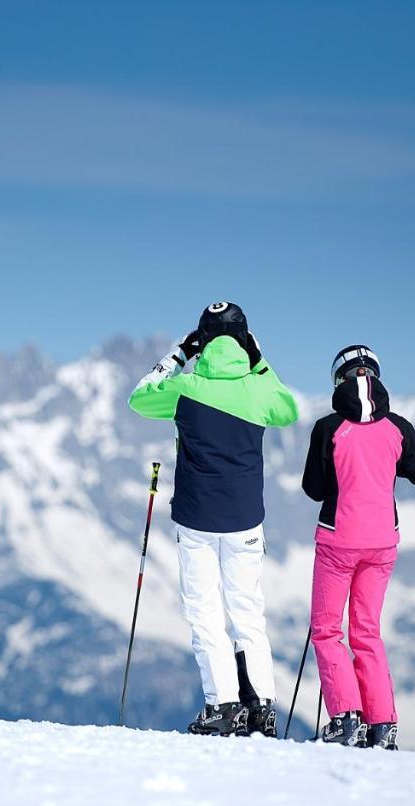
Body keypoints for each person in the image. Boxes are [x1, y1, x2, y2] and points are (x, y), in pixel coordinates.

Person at [128, 302, 299, 736]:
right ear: (245, 341)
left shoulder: (186, 386)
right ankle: (260, 706)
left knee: (205, 612)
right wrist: (258, 363)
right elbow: (288, 409)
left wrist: (176, 356)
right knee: (248, 611)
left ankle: (222, 704)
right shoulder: (258, 390)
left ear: (201, 340)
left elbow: (139, 398)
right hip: (245, 519)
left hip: (196, 518)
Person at [301, 344, 415, 748]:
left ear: (338, 380)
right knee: (367, 631)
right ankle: (382, 724)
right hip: (381, 543)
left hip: (338, 540)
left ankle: (345, 717)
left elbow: (313, 488)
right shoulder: (397, 427)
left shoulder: (329, 428)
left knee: (327, 630)